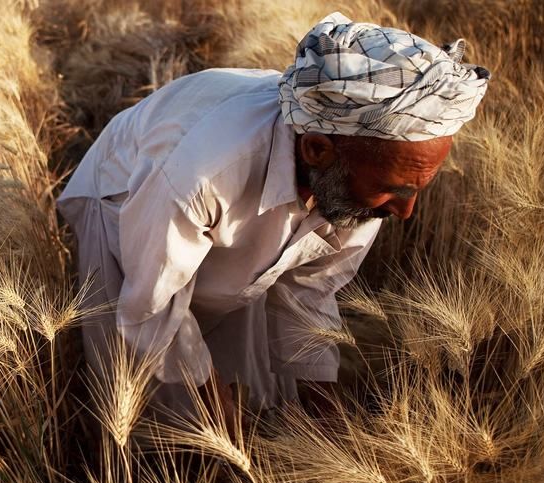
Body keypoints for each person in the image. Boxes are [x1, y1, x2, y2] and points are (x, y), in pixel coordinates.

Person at [57, 13, 490, 422]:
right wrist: (213, 408)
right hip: (125, 197)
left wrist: (325, 414)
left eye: (416, 190)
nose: (404, 211)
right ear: (317, 150)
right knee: (145, 387)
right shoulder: (204, 173)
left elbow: (310, 292)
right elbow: (154, 302)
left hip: (218, 199)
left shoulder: (363, 175)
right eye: (395, 190)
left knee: (251, 380)